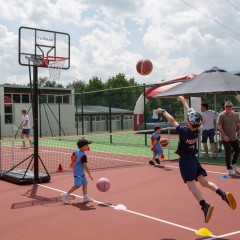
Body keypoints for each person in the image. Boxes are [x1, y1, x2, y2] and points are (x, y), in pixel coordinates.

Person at [155, 96, 237, 223]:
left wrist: (163, 111)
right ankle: (223, 194)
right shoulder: (198, 129)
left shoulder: (183, 131)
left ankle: (205, 205)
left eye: (188, 119)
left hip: (186, 160)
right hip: (194, 158)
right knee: (204, 182)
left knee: (190, 184)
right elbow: (189, 111)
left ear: (189, 122)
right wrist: (183, 101)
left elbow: (172, 120)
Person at [61, 138, 93, 204]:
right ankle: (65, 195)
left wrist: (72, 162)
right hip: (78, 172)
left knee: (85, 183)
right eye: (87, 145)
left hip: (80, 171)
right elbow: (85, 166)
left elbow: (72, 155)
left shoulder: (77, 151)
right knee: (77, 186)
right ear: (83, 146)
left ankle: (85, 197)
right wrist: (89, 173)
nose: (88, 146)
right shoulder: (83, 156)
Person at [217, 101, 240, 176]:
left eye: (230, 106)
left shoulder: (235, 115)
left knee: (237, 150)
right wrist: (224, 135)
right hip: (225, 138)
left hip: (234, 137)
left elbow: (238, 125)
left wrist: (238, 134)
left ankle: (233, 164)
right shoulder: (221, 115)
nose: (229, 108)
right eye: (227, 106)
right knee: (228, 152)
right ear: (225, 107)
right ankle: (229, 169)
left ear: (232, 107)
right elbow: (219, 127)